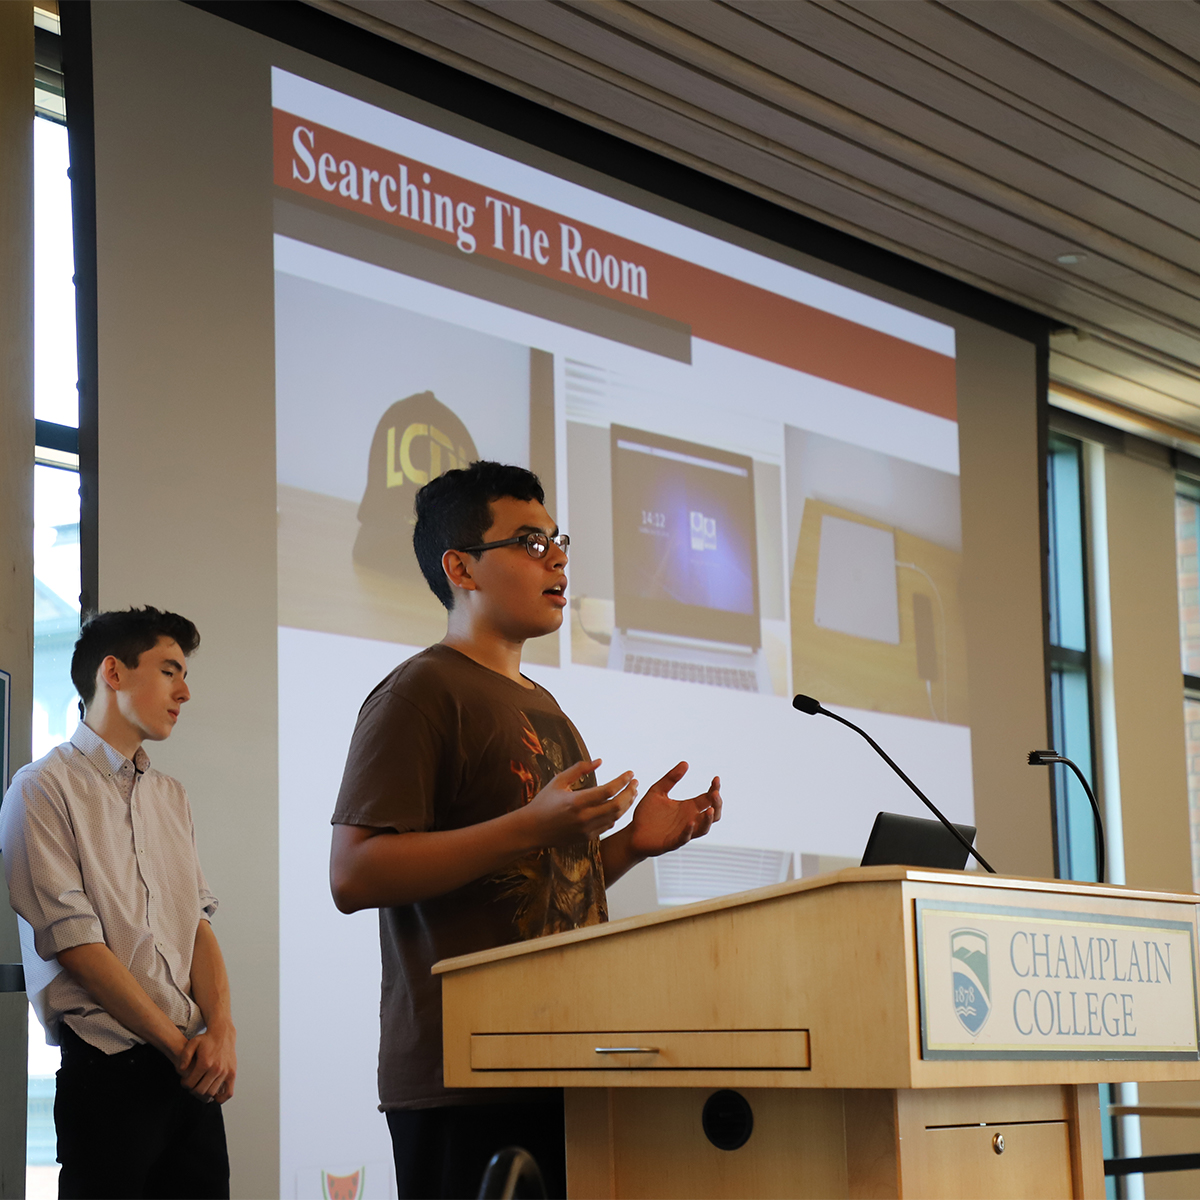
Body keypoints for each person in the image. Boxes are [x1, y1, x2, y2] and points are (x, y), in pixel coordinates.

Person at [329, 461, 723, 1199]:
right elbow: (354, 875)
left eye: (558, 540)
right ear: (461, 567)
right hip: (466, 1075)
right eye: (530, 541)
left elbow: (547, 881)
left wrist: (634, 843)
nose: (559, 557)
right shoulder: (421, 692)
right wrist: (526, 827)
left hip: (566, 1059)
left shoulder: (545, 705)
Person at [0, 607, 236, 1200]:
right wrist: (182, 1046)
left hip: (189, 1078)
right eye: (169, 670)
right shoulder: (40, 788)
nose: (184, 691)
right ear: (113, 671)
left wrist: (222, 1032)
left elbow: (196, 928)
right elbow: (76, 946)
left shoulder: (169, 795)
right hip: (109, 1076)